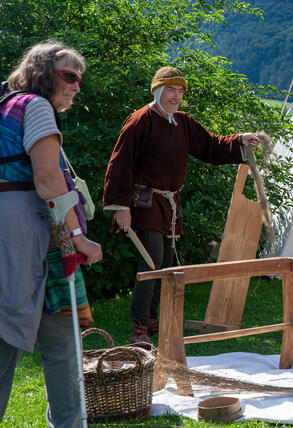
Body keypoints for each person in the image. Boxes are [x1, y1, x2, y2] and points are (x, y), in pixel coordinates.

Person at [103, 66, 261, 344]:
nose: (176, 97)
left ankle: (153, 320)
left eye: (179, 91)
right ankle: (139, 328)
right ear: (158, 91)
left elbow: (211, 146)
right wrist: (120, 208)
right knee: (151, 261)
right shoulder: (140, 121)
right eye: (171, 91)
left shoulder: (183, 122)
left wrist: (239, 140)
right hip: (145, 203)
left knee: (163, 263)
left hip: (169, 204)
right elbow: (119, 164)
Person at [0, 41, 103, 428]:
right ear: (43, 74)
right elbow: (46, 177)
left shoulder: (5, 105)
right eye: (69, 76)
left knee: (48, 330)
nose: (77, 86)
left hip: (12, 228)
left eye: (79, 78)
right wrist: (77, 236)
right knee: (23, 332)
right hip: (31, 231)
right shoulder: (36, 105)